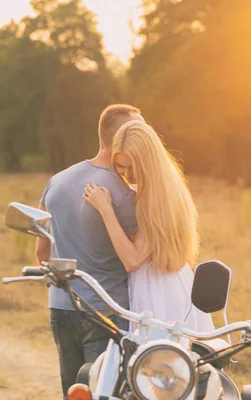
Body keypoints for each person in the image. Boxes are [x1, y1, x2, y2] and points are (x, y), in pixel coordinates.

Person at [35, 104, 144, 398]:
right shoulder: (124, 195)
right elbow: (136, 258)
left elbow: (42, 252)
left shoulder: (56, 181)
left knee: (73, 390)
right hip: (105, 309)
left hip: (60, 306)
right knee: (104, 391)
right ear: (122, 138)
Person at [83, 120, 215, 333]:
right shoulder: (168, 184)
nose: (126, 174)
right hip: (170, 283)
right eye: (120, 166)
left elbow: (133, 261)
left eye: (132, 166)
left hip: (157, 293)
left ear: (147, 162)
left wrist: (105, 210)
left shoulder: (154, 199)